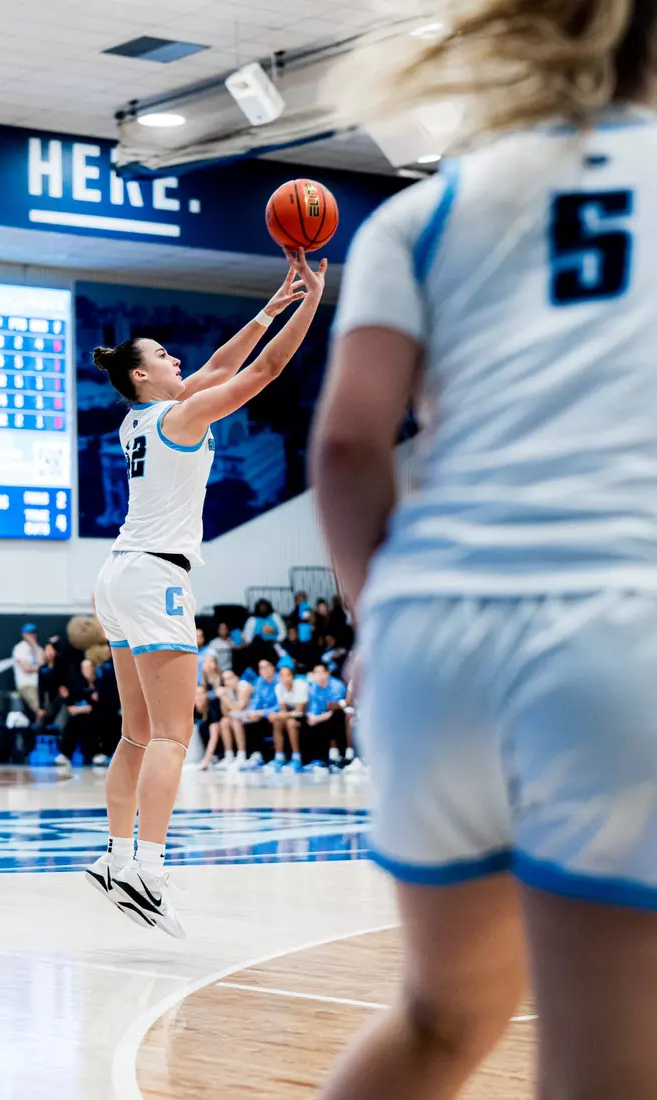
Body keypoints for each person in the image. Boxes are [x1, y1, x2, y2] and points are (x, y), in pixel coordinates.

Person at [312, 4, 657, 1098]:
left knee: (440, 1015)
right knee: (606, 1065)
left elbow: (348, 444)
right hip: (617, 621)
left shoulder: (427, 209)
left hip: (430, 635)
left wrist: (374, 620)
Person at [85, 251, 327, 936]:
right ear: (141, 375)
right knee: (172, 733)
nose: (178, 360)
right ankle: (148, 870)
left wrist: (269, 308)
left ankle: (116, 856)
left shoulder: (138, 420)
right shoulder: (179, 418)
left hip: (118, 574)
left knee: (136, 732)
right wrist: (313, 300)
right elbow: (263, 371)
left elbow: (221, 365)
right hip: (155, 577)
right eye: (164, 355)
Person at [306, 663, 350, 770]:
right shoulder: (313, 688)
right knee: (306, 722)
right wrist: (312, 717)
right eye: (316, 673)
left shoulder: (337, 686)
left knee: (334, 719)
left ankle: (337, 757)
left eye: (322, 672)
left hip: (339, 715)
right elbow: (313, 708)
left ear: (327, 673)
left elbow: (335, 708)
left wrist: (317, 718)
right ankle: (316, 759)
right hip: (321, 715)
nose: (319, 676)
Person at [267, 664, 308, 771]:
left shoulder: (301, 685)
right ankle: (279, 757)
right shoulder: (278, 687)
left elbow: (299, 711)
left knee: (290, 723)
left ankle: (297, 758)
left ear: (292, 676)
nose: (285, 678)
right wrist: (278, 716)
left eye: (287, 675)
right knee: (277, 722)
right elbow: (283, 709)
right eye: (282, 675)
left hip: (306, 715)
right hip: (290, 714)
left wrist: (278, 715)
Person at [218, 668, 251, 769]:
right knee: (224, 722)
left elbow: (238, 708)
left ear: (236, 678)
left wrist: (224, 697)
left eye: (230, 678)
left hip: (254, 714)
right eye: (225, 680)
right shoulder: (227, 690)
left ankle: (241, 756)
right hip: (241, 716)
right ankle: (229, 756)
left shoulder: (244, 686)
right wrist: (223, 697)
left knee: (236, 721)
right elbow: (225, 713)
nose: (227, 682)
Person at [12, 623, 43, 718]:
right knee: (39, 710)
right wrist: (39, 668)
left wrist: (35, 647)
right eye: (29, 633)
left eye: (34, 633)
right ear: (24, 635)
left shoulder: (38, 648)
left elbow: (43, 662)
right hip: (27, 685)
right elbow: (27, 668)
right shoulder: (19, 648)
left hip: (40, 685)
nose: (32, 636)